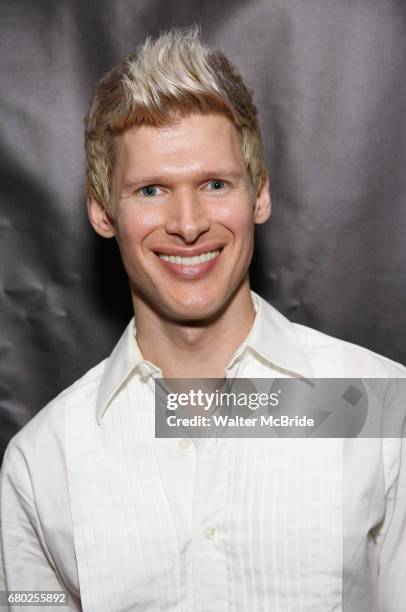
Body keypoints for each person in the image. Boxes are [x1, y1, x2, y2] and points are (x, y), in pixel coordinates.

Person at [0, 27, 405, 612]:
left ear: (259, 195)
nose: (188, 223)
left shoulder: (374, 403)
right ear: (102, 210)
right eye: (151, 190)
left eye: (215, 184)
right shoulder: (42, 463)